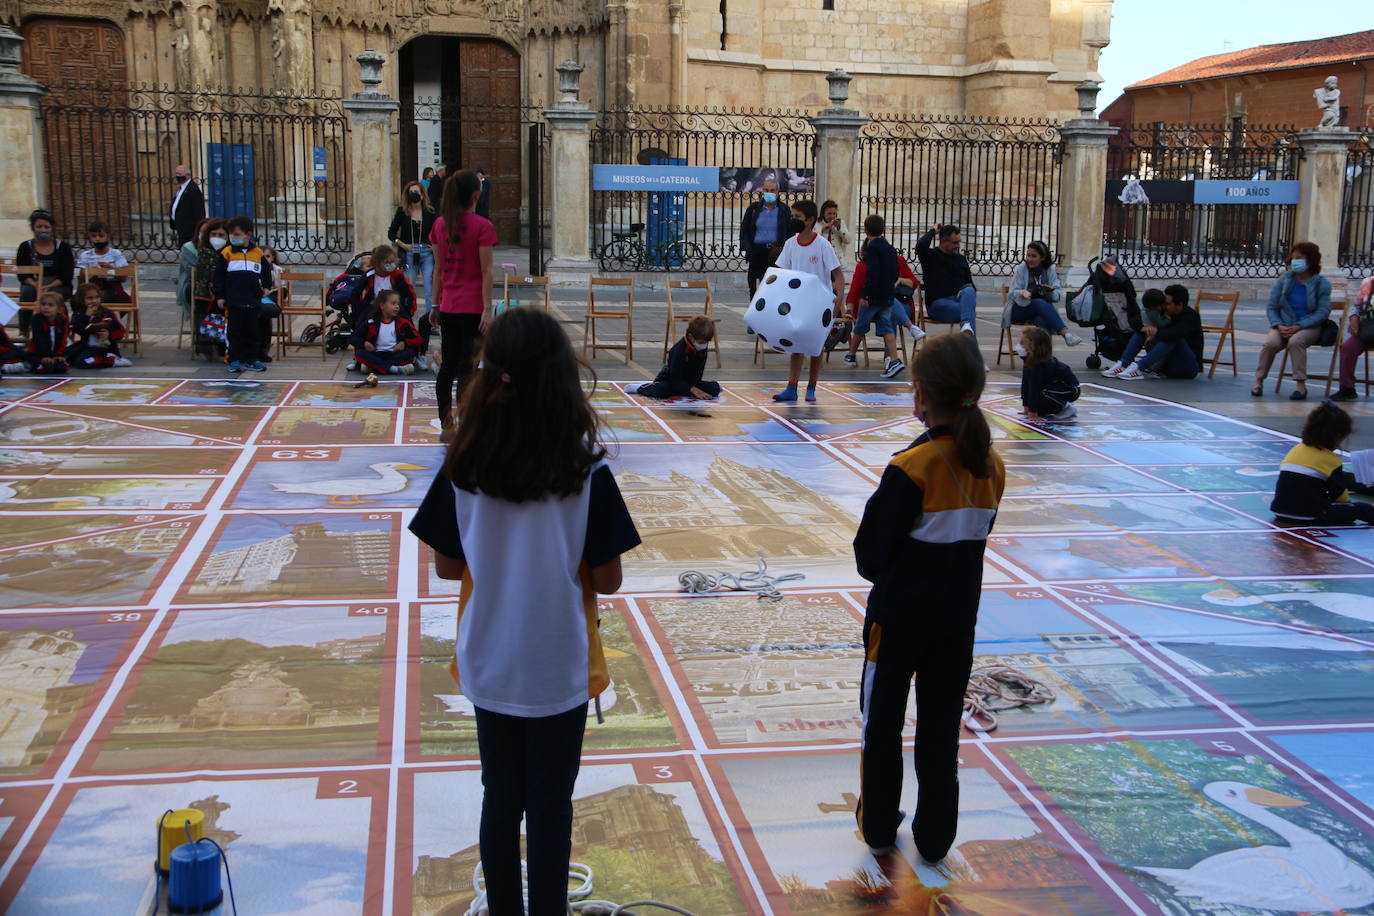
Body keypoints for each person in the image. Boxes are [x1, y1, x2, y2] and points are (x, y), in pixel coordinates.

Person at [408, 307, 641, 915]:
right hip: (560, 663)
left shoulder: (463, 466)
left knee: (499, 796)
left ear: (490, 375)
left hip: (490, 657)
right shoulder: (586, 469)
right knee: (551, 803)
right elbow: (610, 580)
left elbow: (446, 567)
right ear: (564, 378)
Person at [852, 332, 1005, 863]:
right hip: (956, 624)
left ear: (920, 394)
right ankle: (936, 837)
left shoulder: (910, 469)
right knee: (941, 735)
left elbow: (868, 557)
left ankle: (876, 826)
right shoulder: (991, 467)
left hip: (896, 625)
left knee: (882, 727)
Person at [431, 170, 497, 436]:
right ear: (476, 195)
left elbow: (438, 269)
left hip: (448, 306)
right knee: (467, 369)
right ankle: (467, 423)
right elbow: (486, 271)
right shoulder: (483, 226)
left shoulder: (439, 225)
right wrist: (488, 308)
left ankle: (447, 424)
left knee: (447, 367)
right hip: (472, 309)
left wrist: (434, 305)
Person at [772, 199, 843, 403]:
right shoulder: (790, 244)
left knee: (816, 347)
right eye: (792, 216)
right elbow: (782, 274)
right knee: (795, 346)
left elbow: (837, 274)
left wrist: (838, 298)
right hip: (797, 302)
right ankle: (791, 387)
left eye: (798, 217)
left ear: (810, 220)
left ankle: (811, 387)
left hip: (819, 304)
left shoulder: (822, 244)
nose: (793, 220)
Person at [1271, 401, 1374, 525]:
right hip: (1312, 514)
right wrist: (1350, 507)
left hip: (1279, 510)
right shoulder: (1331, 459)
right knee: (1362, 509)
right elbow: (1341, 498)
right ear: (1337, 436)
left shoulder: (1296, 449)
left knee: (1339, 479)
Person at [1253, 242, 1333, 401]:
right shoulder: (1284, 280)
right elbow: (1272, 307)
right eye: (1294, 258)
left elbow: (1323, 311)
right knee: (1270, 343)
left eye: (1300, 258)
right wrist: (1278, 324)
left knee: (1296, 342)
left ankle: (1300, 385)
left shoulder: (1321, 283)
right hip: (1283, 324)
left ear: (1310, 261)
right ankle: (1258, 380)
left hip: (1308, 325)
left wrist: (1299, 326)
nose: (1295, 261)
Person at [843, 215, 908, 379]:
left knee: (860, 324)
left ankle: (851, 354)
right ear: (883, 229)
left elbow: (873, 273)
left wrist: (865, 294)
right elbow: (894, 271)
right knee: (887, 327)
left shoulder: (872, 248)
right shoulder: (890, 248)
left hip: (873, 296)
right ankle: (894, 359)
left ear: (865, 231)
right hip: (887, 295)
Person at [212, 216, 274, 373]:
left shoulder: (257, 253)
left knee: (252, 331)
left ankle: (252, 359)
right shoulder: (227, 253)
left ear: (248, 234)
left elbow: (266, 272)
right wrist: (220, 296)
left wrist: (266, 287)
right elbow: (219, 277)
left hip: (252, 300)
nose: (233, 237)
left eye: (237, 234)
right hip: (234, 300)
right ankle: (234, 359)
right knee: (234, 331)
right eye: (232, 234)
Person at [1103, 284, 1203, 381]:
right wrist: (1144, 329)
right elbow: (1135, 319)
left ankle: (1139, 367)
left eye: (1168, 304)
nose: (1164, 306)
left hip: (1186, 367)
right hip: (1164, 364)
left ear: (1179, 305)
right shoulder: (1163, 310)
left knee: (1173, 338)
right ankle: (1123, 363)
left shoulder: (1191, 316)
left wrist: (1155, 333)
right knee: (1144, 330)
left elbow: (1174, 333)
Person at [1002, 241, 1081, 347]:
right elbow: (1012, 293)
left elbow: (1057, 295)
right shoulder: (1022, 268)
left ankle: (1041, 358)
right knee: (1039, 303)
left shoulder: (1049, 270)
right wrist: (1021, 292)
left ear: (1042, 258)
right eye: (1028, 255)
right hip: (1019, 309)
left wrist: (1050, 292)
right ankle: (1065, 333)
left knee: (1042, 319)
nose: (1029, 259)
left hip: (1040, 310)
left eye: (1033, 256)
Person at [15, 210, 75, 337]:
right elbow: (22, 273)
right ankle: (23, 332)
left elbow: (67, 274)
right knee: (26, 292)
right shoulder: (25, 247)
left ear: (52, 228)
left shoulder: (62, 247)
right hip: (34, 283)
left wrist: (51, 285)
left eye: (46, 227)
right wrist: (36, 285)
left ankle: (62, 333)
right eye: (39, 227)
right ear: (33, 228)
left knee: (55, 296)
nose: (43, 230)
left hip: (59, 284)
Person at [632, 314, 720, 400]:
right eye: (701, 342)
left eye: (706, 342)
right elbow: (675, 379)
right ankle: (640, 388)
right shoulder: (679, 350)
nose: (704, 345)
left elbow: (698, 376)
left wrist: (694, 387)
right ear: (691, 337)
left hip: (689, 382)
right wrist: (692, 389)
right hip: (670, 381)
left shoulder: (702, 348)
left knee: (715, 388)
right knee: (663, 391)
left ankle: (684, 391)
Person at [915, 224, 977, 339]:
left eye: (959, 242)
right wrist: (933, 231)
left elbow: (970, 284)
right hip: (939, 304)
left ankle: (966, 329)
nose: (958, 246)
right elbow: (920, 246)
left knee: (969, 290)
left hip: (959, 301)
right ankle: (971, 349)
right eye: (955, 243)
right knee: (968, 311)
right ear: (943, 241)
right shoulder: (931, 256)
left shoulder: (961, 259)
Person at [739, 176, 795, 299]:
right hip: (757, 253)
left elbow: (790, 232)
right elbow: (745, 230)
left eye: (772, 190)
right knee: (755, 288)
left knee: (776, 287)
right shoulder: (753, 209)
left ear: (778, 192)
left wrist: (785, 250)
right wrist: (749, 249)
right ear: (762, 191)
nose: (769, 193)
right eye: (766, 190)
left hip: (776, 253)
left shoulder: (784, 210)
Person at [388, 180, 438, 314]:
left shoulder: (430, 211)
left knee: (429, 288)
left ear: (422, 195)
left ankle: (429, 320)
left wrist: (435, 245)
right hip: (408, 252)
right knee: (408, 288)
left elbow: (439, 230)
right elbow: (391, 233)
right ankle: (406, 318)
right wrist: (401, 244)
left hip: (426, 253)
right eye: (411, 192)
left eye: (416, 192)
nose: (413, 195)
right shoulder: (402, 211)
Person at [351, 289, 422, 376]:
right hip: (376, 353)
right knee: (360, 353)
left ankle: (374, 367)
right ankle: (394, 369)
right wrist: (364, 343)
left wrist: (405, 343)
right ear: (382, 305)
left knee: (410, 354)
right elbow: (353, 337)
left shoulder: (403, 323)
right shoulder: (371, 322)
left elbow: (418, 339)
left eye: (398, 304)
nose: (397, 307)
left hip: (394, 354)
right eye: (393, 303)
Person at [1018, 326, 1081, 422]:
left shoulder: (1040, 363)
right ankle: (1055, 405)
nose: (1019, 345)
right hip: (1052, 386)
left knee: (1042, 392)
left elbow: (1034, 388)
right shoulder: (1029, 360)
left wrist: (1033, 413)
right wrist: (1026, 407)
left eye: (1023, 343)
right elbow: (1026, 384)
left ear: (1033, 346)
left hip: (1070, 388)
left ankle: (1066, 407)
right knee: (1039, 404)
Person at [67, 282, 131, 369]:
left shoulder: (107, 313)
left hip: (105, 347)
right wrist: (86, 317)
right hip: (88, 346)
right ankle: (103, 359)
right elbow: (77, 329)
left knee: (83, 362)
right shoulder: (80, 313)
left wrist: (109, 335)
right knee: (70, 358)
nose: (94, 301)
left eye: (97, 297)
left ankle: (112, 360)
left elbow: (120, 330)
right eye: (90, 298)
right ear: (82, 300)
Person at [192, 218, 229, 361]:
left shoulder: (229, 252)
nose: (217, 238)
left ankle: (223, 345)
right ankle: (206, 345)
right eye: (214, 234)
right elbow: (205, 275)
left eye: (221, 235)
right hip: (206, 293)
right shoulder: (204, 253)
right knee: (202, 305)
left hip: (225, 291)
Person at [1332, 276, 1373, 402]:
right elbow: (1356, 306)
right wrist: (1354, 317)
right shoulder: (1369, 282)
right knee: (1348, 348)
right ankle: (1347, 388)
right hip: (1369, 330)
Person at [75, 221, 131, 303]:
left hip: (111, 287)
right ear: (90, 237)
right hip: (91, 288)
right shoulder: (85, 255)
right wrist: (87, 271)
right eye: (94, 236)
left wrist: (110, 269)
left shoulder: (116, 254)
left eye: (101, 236)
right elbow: (80, 278)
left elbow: (123, 278)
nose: (97, 239)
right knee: (76, 300)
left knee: (104, 297)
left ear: (108, 236)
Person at [25, 291, 70, 375]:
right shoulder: (37, 319)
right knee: (42, 369)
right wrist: (45, 356)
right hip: (38, 353)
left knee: (61, 367)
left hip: (55, 353)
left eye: (50, 305)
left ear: (59, 309)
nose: (46, 307)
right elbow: (39, 338)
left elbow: (64, 338)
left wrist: (59, 354)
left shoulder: (63, 320)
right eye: (43, 304)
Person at [177, 218, 207, 325]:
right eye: (203, 232)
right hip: (192, 282)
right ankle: (199, 326)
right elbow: (193, 270)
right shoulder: (188, 248)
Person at [169, 164, 206, 248]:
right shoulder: (182, 188)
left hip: (189, 229)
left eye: (180, 174)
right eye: (176, 174)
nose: (177, 176)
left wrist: (198, 228)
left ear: (187, 175)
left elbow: (199, 211)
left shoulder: (193, 189)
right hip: (181, 227)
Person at [819, 199, 850, 263]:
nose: (832, 216)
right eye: (829, 213)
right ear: (823, 213)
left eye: (834, 214)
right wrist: (823, 228)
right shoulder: (817, 223)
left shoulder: (840, 223)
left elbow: (848, 240)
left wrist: (839, 228)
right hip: (822, 259)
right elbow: (812, 238)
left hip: (837, 260)